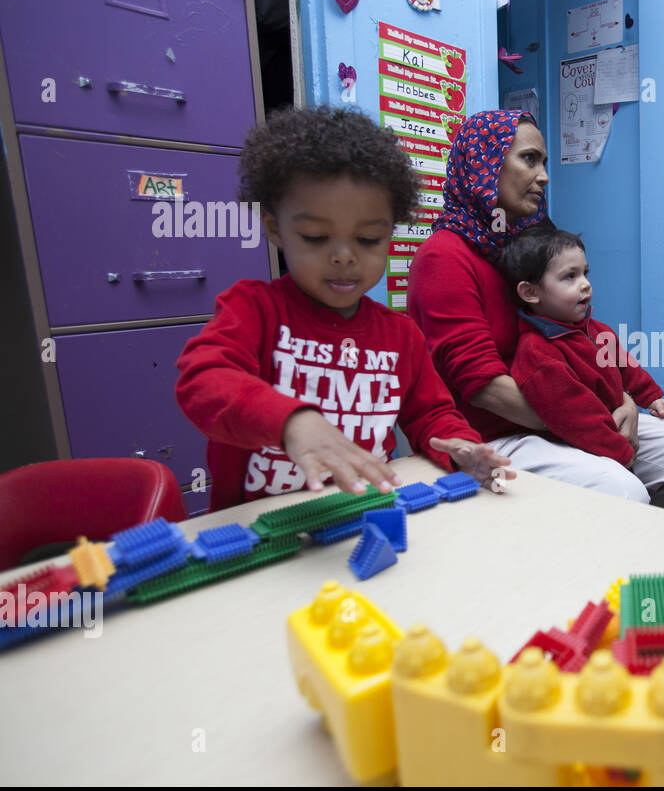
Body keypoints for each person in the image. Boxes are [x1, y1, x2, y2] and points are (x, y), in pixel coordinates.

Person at [175, 107, 512, 511]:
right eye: (316, 237)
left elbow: (430, 415)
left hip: (362, 515)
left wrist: (460, 447)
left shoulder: (400, 335)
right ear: (274, 228)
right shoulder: (253, 310)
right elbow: (202, 380)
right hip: (261, 531)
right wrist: (291, 421)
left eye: (369, 239)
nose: (343, 256)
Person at [408, 110, 664, 509]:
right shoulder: (444, 256)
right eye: (529, 159)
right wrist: (586, 423)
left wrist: (625, 402)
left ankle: (629, 537)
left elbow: (581, 327)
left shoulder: (532, 238)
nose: (544, 175)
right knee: (622, 489)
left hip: (570, 408)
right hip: (496, 433)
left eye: (544, 162)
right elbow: (482, 387)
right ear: (485, 162)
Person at [501, 225, 664, 475]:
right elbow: (576, 417)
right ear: (530, 292)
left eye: (585, 273)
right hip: (579, 444)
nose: (585, 284)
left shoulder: (595, 328)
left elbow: (627, 366)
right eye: (570, 276)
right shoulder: (537, 353)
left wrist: (650, 395)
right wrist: (619, 452)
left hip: (612, 427)